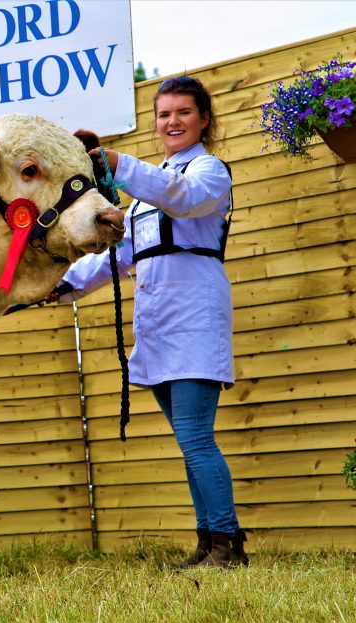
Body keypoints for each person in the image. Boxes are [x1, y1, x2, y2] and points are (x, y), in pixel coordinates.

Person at [51, 75, 247, 568]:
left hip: (195, 316)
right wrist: (62, 286)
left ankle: (227, 543)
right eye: (164, 114)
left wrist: (119, 165)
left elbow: (183, 197)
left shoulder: (209, 171)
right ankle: (207, 541)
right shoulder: (147, 189)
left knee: (196, 437)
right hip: (158, 325)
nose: (172, 122)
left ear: (204, 119)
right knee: (189, 440)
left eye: (183, 112)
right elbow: (123, 256)